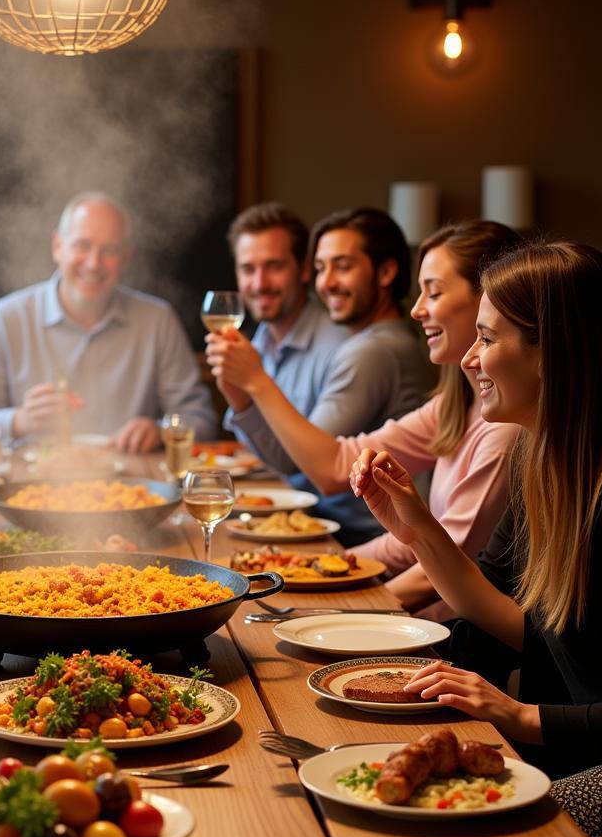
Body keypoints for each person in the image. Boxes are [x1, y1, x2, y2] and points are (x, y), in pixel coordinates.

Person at [350, 239, 602, 792]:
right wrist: (418, 530)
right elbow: (504, 612)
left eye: (486, 339)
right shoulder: (541, 462)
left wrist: (520, 716)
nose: (469, 358)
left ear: (552, 352)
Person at [214, 219, 522, 616]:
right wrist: (307, 570)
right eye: (321, 267)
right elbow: (413, 536)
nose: (417, 309)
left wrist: (345, 608)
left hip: (446, 638)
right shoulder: (456, 401)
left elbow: (447, 563)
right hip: (413, 602)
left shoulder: (503, 426)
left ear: (489, 301)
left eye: (435, 292)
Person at [207, 207, 433, 545]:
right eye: (321, 268)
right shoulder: (375, 342)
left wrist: (254, 381)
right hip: (353, 528)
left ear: (386, 272)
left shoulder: (373, 351)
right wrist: (242, 395)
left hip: (364, 536)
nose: (325, 283)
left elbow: (320, 471)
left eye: (342, 267)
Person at [0, 191, 217, 452]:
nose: (93, 263)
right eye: (82, 245)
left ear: (126, 258)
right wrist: (19, 421)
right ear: (58, 246)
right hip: (27, 486)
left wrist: (160, 431)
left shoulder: (157, 320)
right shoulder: (3, 319)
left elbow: (201, 420)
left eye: (110, 250)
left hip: (133, 486)